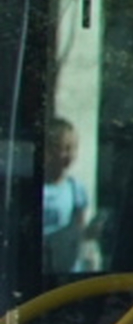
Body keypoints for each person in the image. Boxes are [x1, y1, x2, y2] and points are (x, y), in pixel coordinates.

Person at [37, 118, 96, 275]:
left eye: (74, 148)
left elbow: (79, 231)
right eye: (65, 148)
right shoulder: (37, 188)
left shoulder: (76, 189)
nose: (70, 155)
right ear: (49, 149)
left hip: (65, 270)